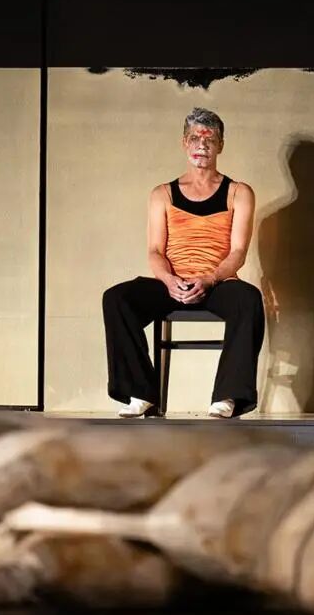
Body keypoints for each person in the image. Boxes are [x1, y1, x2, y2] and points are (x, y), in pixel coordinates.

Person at [102, 107, 264, 418]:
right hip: (172, 283)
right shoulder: (162, 194)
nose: (202, 145)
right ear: (184, 143)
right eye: (194, 139)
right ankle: (141, 392)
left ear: (220, 145)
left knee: (249, 299)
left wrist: (210, 278)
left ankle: (227, 395)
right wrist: (168, 280)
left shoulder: (239, 192)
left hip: (216, 282)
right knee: (116, 298)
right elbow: (155, 250)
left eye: (210, 140)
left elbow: (238, 252)